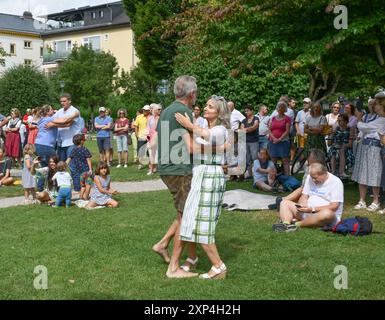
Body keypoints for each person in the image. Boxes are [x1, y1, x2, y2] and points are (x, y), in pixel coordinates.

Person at [175, 95, 230, 279]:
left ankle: (218, 266)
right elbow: (195, 146)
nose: (205, 108)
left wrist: (188, 124)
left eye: (210, 106)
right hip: (200, 174)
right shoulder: (206, 128)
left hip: (211, 176)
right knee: (193, 218)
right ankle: (194, 259)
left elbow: (206, 137)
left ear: (219, 112)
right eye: (205, 105)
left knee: (203, 223)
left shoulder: (220, 130)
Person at [152, 75, 198, 278]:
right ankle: (174, 268)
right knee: (185, 217)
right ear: (191, 94)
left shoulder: (167, 110)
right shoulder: (184, 111)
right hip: (179, 170)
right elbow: (191, 146)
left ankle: (162, 244)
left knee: (182, 213)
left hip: (167, 168)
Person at [273, 163, 344, 232]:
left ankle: (296, 224)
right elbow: (304, 195)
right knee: (284, 203)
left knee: (327, 214)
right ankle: (286, 224)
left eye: (315, 178)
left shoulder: (336, 182)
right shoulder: (310, 177)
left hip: (324, 216)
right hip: (307, 211)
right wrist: (302, 205)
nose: (313, 180)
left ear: (324, 174)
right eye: (312, 177)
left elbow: (334, 206)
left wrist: (312, 209)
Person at [352, 93, 385, 212]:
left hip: (376, 147)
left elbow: (363, 127)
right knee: (363, 173)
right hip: (366, 145)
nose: (374, 106)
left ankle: (376, 201)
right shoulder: (378, 118)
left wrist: (359, 118)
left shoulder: (381, 119)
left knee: (374, 173)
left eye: (376, 104)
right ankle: (362, 200)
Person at [54, 94, 82, 162]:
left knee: (73, 164)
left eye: (64, 101)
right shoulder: (59, 111)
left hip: (72, 142)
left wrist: (56, 123)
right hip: (61, 142)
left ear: (69, 101)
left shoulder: (74, 111)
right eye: (61, 101)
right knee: (61, 164)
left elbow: (68, 124)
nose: (62, 103)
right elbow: (52, 120)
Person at [327, 114, 354, 178]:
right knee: (333, 150)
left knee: (341, 149)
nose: (339, 122)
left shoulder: (350, 129)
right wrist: (331, 134)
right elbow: (329, 144)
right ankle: (333, 172)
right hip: (335, 147)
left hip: (346, 147)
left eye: (341, 120)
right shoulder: (336, 129)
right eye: (338, 120)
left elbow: (350, 144)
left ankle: (342, 172)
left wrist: (343, 145)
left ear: (346, 121)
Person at [66, 134, 93, 200]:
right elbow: (88, 159)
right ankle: (86, 197)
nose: (84, 141)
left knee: (83, 185)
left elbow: (68, 159)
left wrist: (63, 167)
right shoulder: (85, 149)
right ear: (81, 141)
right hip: (86, 171)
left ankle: (81, 197)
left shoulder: (74, 150)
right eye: (84, 140)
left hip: (79, 172)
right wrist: (90, 169)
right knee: (88, 184)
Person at [268, 101, 291, 175]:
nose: (280, 109)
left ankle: (287, 177)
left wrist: (279, 139)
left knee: (285, 160)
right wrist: (274, 138)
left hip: (283, 142)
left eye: (282, 107)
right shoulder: (273, 118)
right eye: (279, 107)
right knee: (273, 159)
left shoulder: (287, 118)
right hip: (273, 142)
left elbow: (287, 131)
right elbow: (269, 129)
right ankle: (273, 177)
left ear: (284, 109)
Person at [239, 105, 259, 179]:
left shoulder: (256, 118)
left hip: (254, 141)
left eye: (248, 110)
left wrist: (246, 129)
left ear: (252, 111)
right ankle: (250, 175)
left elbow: (254, 127)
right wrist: (249, 129)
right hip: (245, 141)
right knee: (247, 159)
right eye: (245, 111)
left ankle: (257, 174)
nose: (246, 112)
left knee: (255, 158)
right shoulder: (244, 120)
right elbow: (241, 130)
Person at [133, 105, 151, 170]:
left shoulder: (151, 117)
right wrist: (137, 135)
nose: (144, 111)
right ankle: (141, 164)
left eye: (146, 110)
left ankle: (150, 165)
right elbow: (135, 126)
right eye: (144, 110)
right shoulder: (139, 117)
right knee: (140, 151)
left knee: (149, 151)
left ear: (149, 111)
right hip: (141, 136)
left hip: (149, 137)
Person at [147, 104, 162, 175]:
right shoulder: (150, 118)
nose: (160, 110)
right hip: (151, 138)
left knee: (158, 154)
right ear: (155, 110)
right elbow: (148, 129)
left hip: (159, 138)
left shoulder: (161, 118)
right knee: (151, 154)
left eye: (160, 109)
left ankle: (156, 168)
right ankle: (151, 169)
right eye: (158, 109)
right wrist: (149, 139)